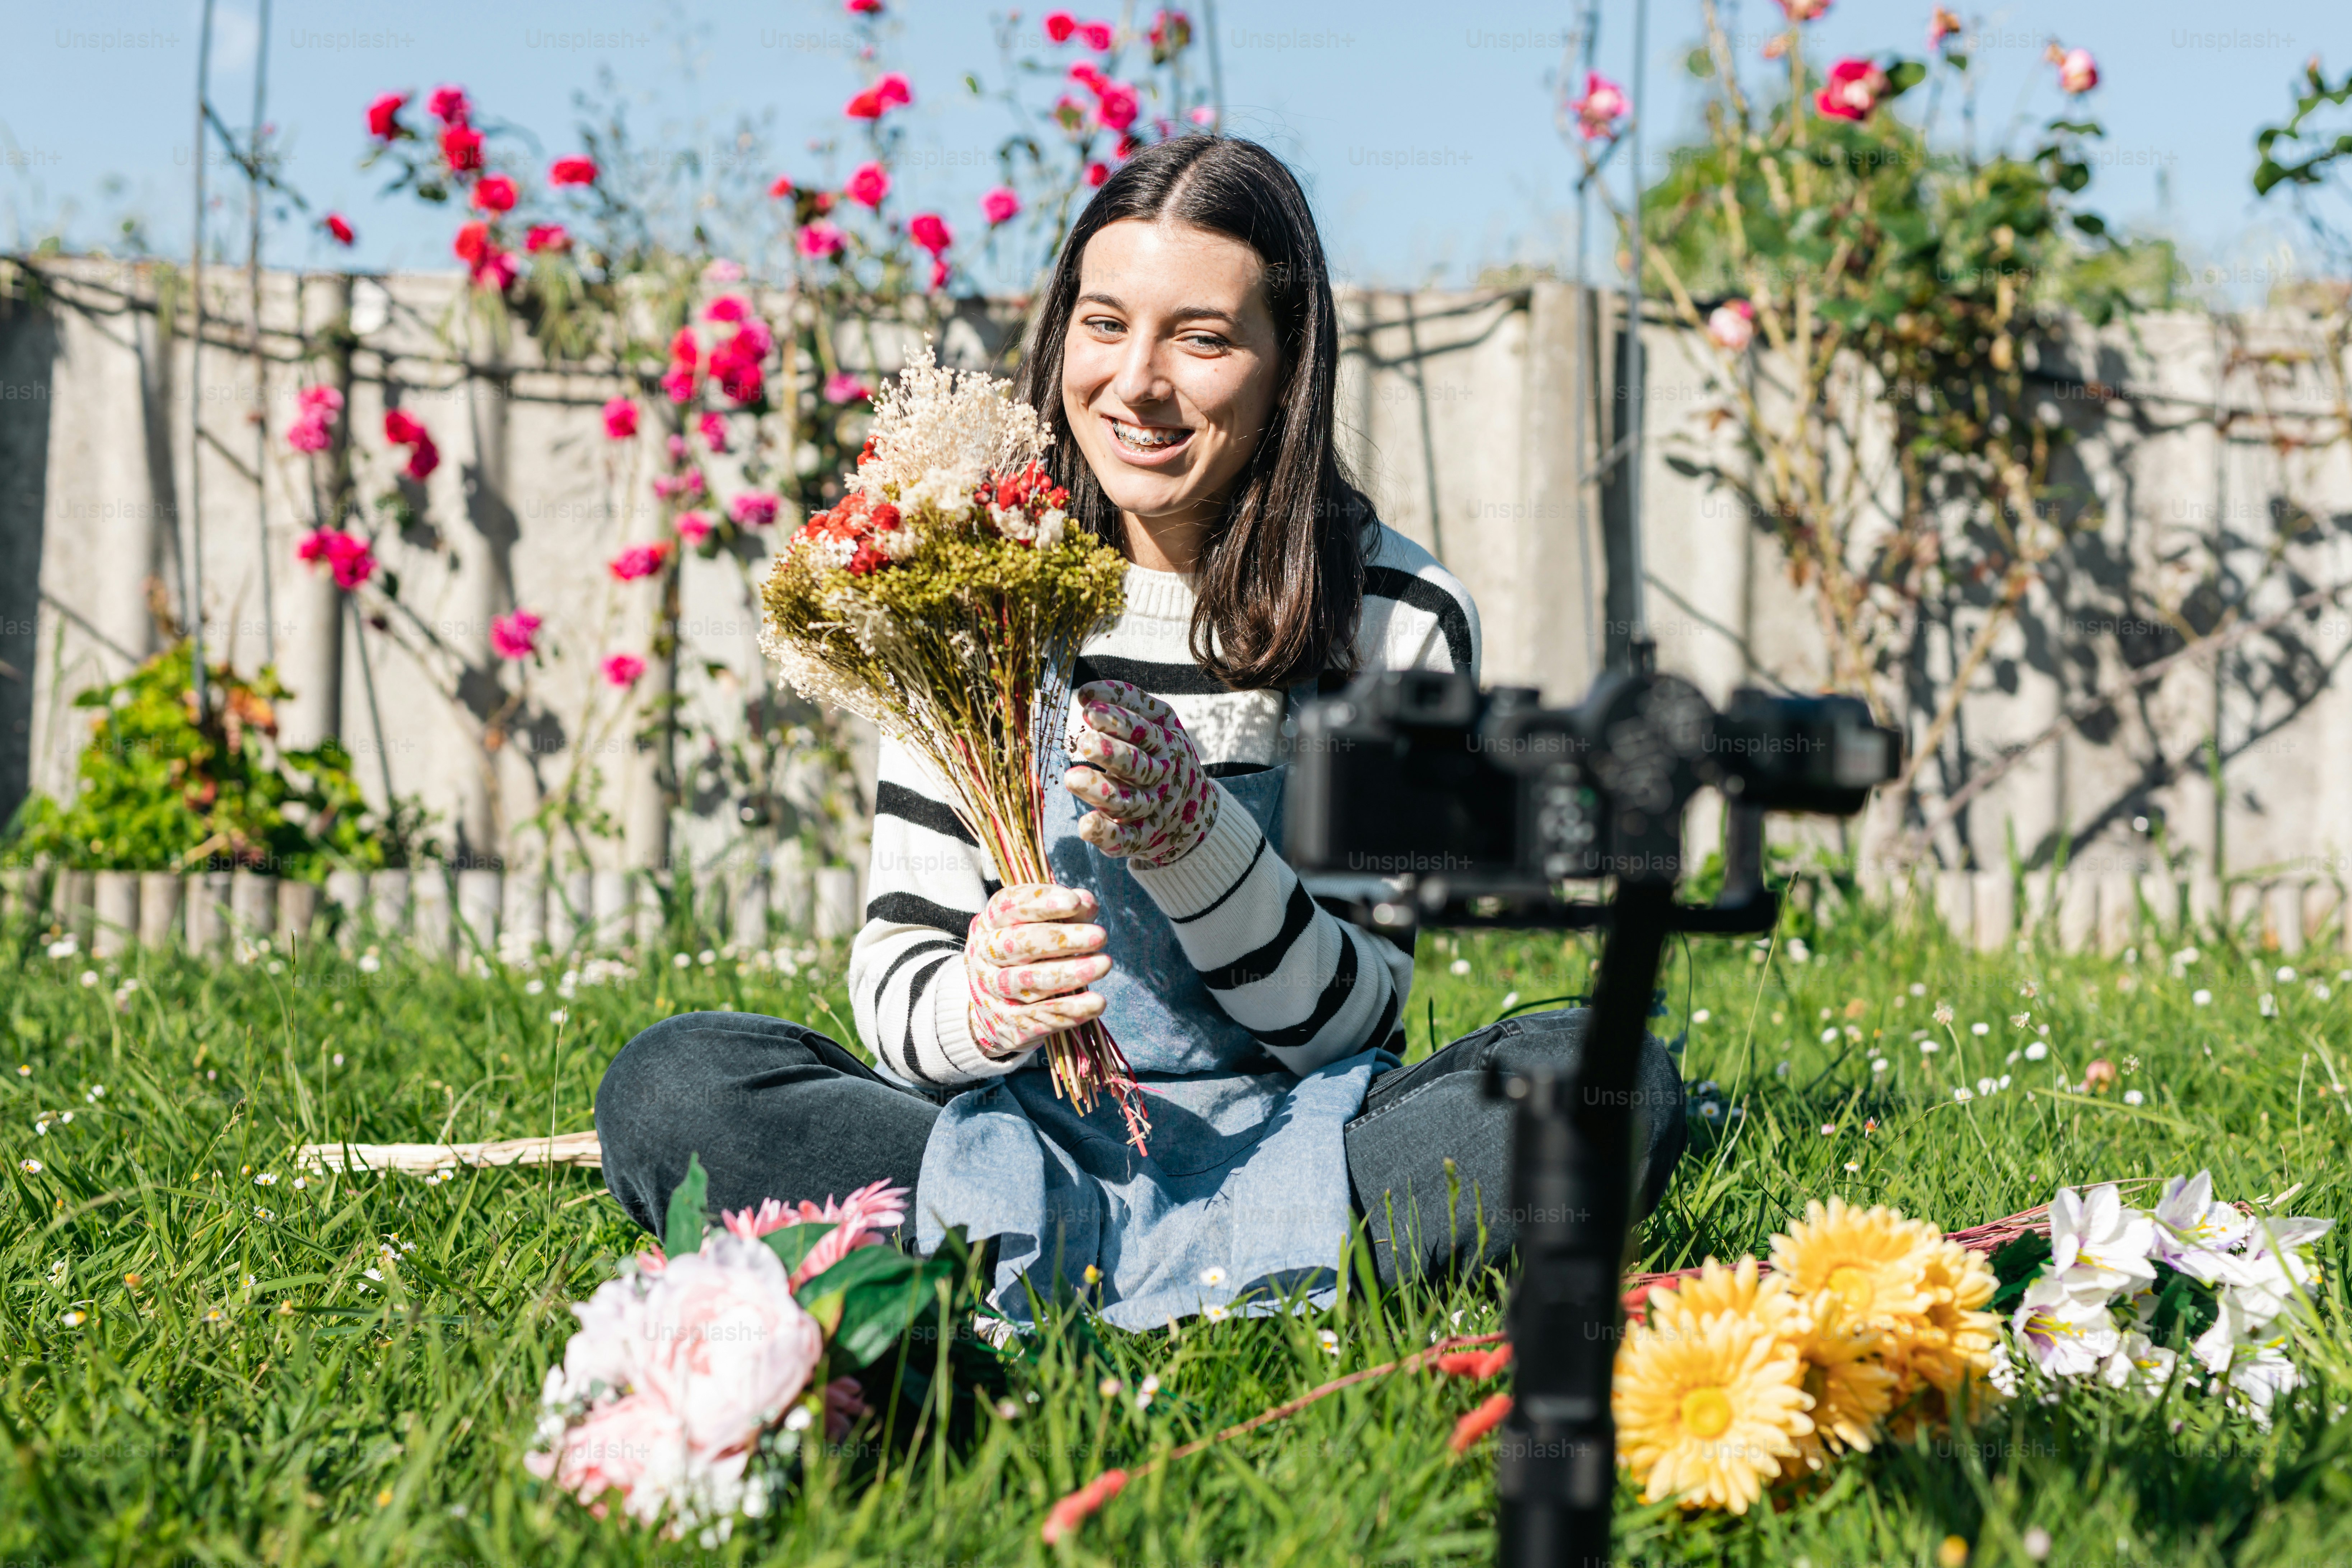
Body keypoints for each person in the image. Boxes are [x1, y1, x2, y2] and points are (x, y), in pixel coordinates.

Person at [595, 135, 1684, 1329]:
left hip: (1302, 1135)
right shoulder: (961, 581)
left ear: (1289, 366)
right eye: (1105, 325)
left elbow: (1357, 1020)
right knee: (673, 1086)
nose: (1136, 383)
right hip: (1007, 1139)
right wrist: (983, 1004)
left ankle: (1014, 1260)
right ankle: (1203, 1255)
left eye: (1202, 340)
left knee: (1608, 1077)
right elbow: (900, 978)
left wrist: (1195, 841)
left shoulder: (1395, 614)